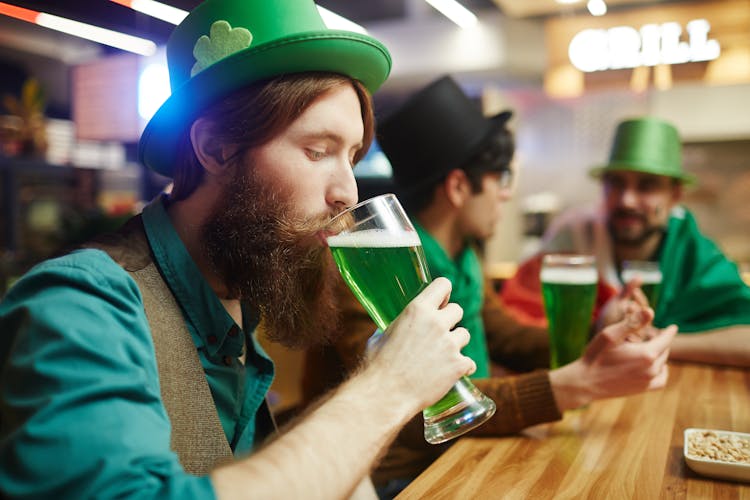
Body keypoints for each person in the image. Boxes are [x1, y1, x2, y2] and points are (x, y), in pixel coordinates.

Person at [0, 2, 482, 498]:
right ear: (216, 148)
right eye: (317, 151)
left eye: (352, 156)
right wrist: (387, 388)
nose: (348, 191)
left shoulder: (235, 295)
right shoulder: (78, 306)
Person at [301, 76, 677, 496]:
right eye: (501, 179)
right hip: (397, 478)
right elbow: (411, 407)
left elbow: (505, 336)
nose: (507, 195)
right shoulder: (374, 267)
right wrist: (570, 386)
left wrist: (596, 331)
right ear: (460, 187)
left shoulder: (463, 256)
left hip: (464, 451)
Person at [502, 116, 750, 367]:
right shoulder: (572, 234)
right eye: (616, 183)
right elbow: (511, 326)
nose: (626, 200)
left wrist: (654, 339)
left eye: (647, 186)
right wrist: (598, 329)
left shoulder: (692, 251)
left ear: (674, 195)